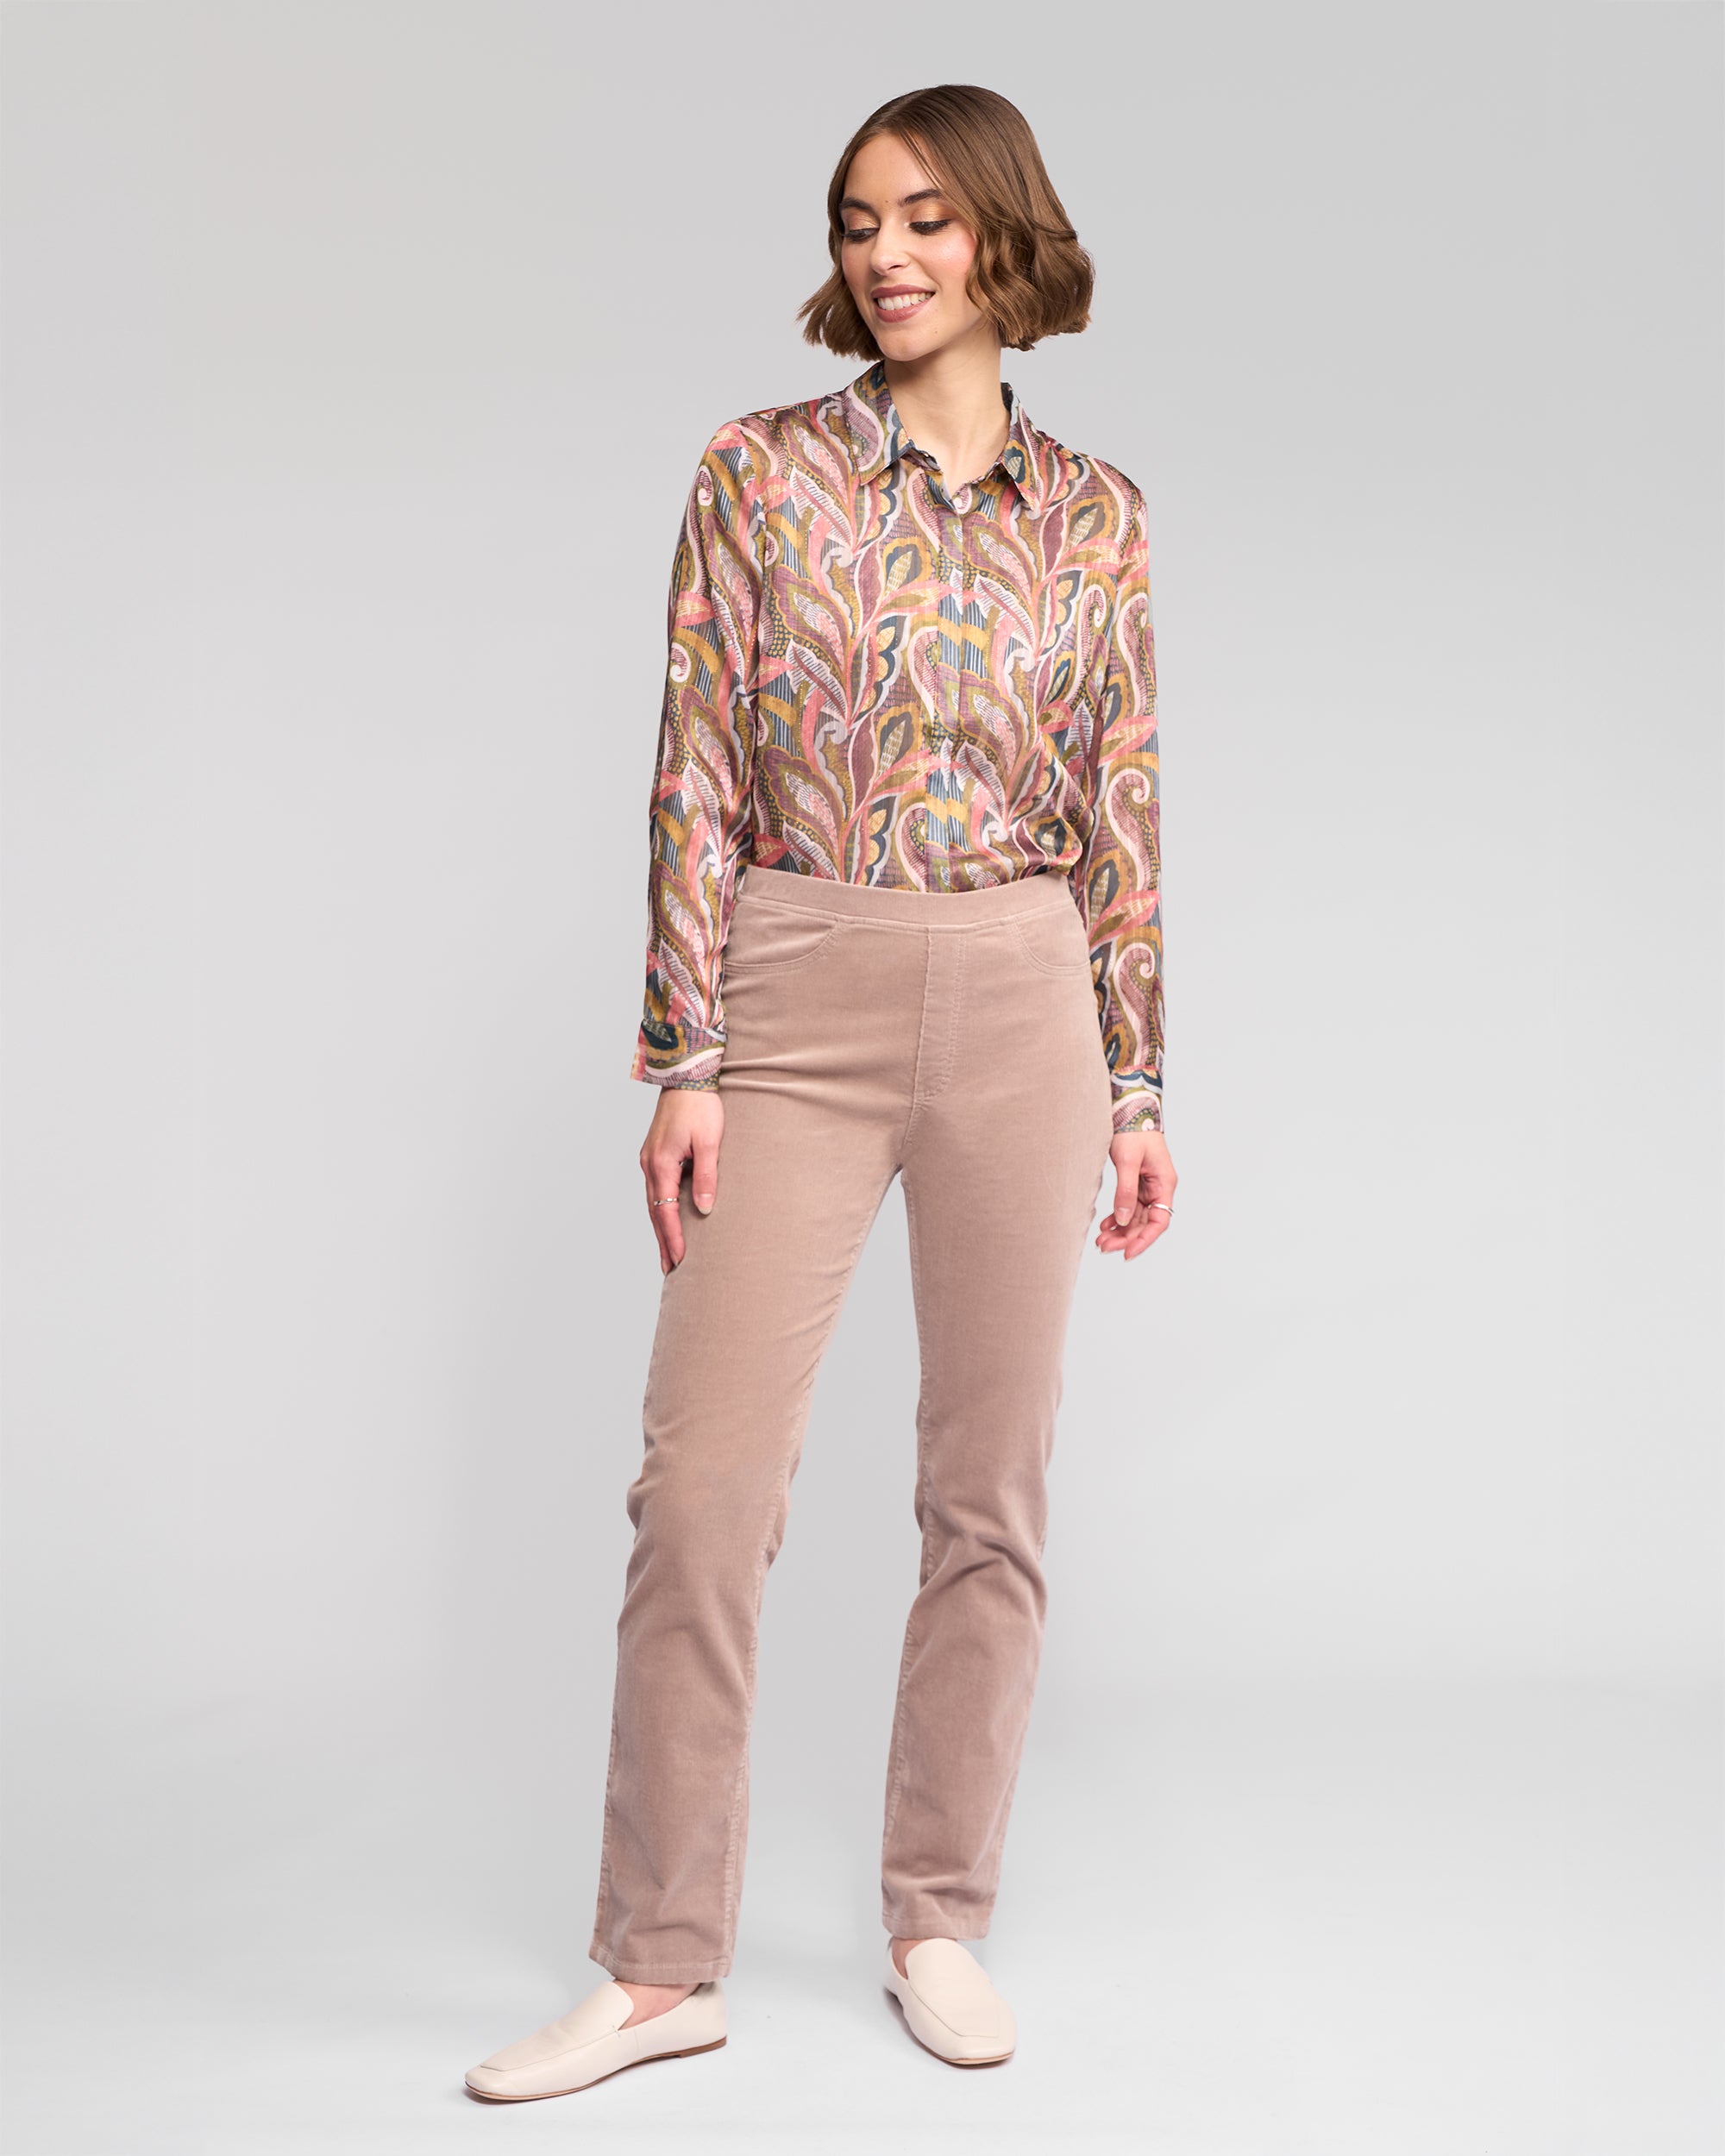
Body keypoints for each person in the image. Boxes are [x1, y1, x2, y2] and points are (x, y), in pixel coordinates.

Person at [464, 81, 1176, 2103]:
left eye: (928, 218)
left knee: (988, 1489)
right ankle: (657, 1960)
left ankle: (938, 1909)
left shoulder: (1101, 518)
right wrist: (682, 1051)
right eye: (860, 220)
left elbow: (1121, 805)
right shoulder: (757, 475)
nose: (887, 255)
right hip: (793, 981)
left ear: (1006, 237)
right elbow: (694, 768)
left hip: (1027, 993)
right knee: (702, 1484)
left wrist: (1137, 1077)